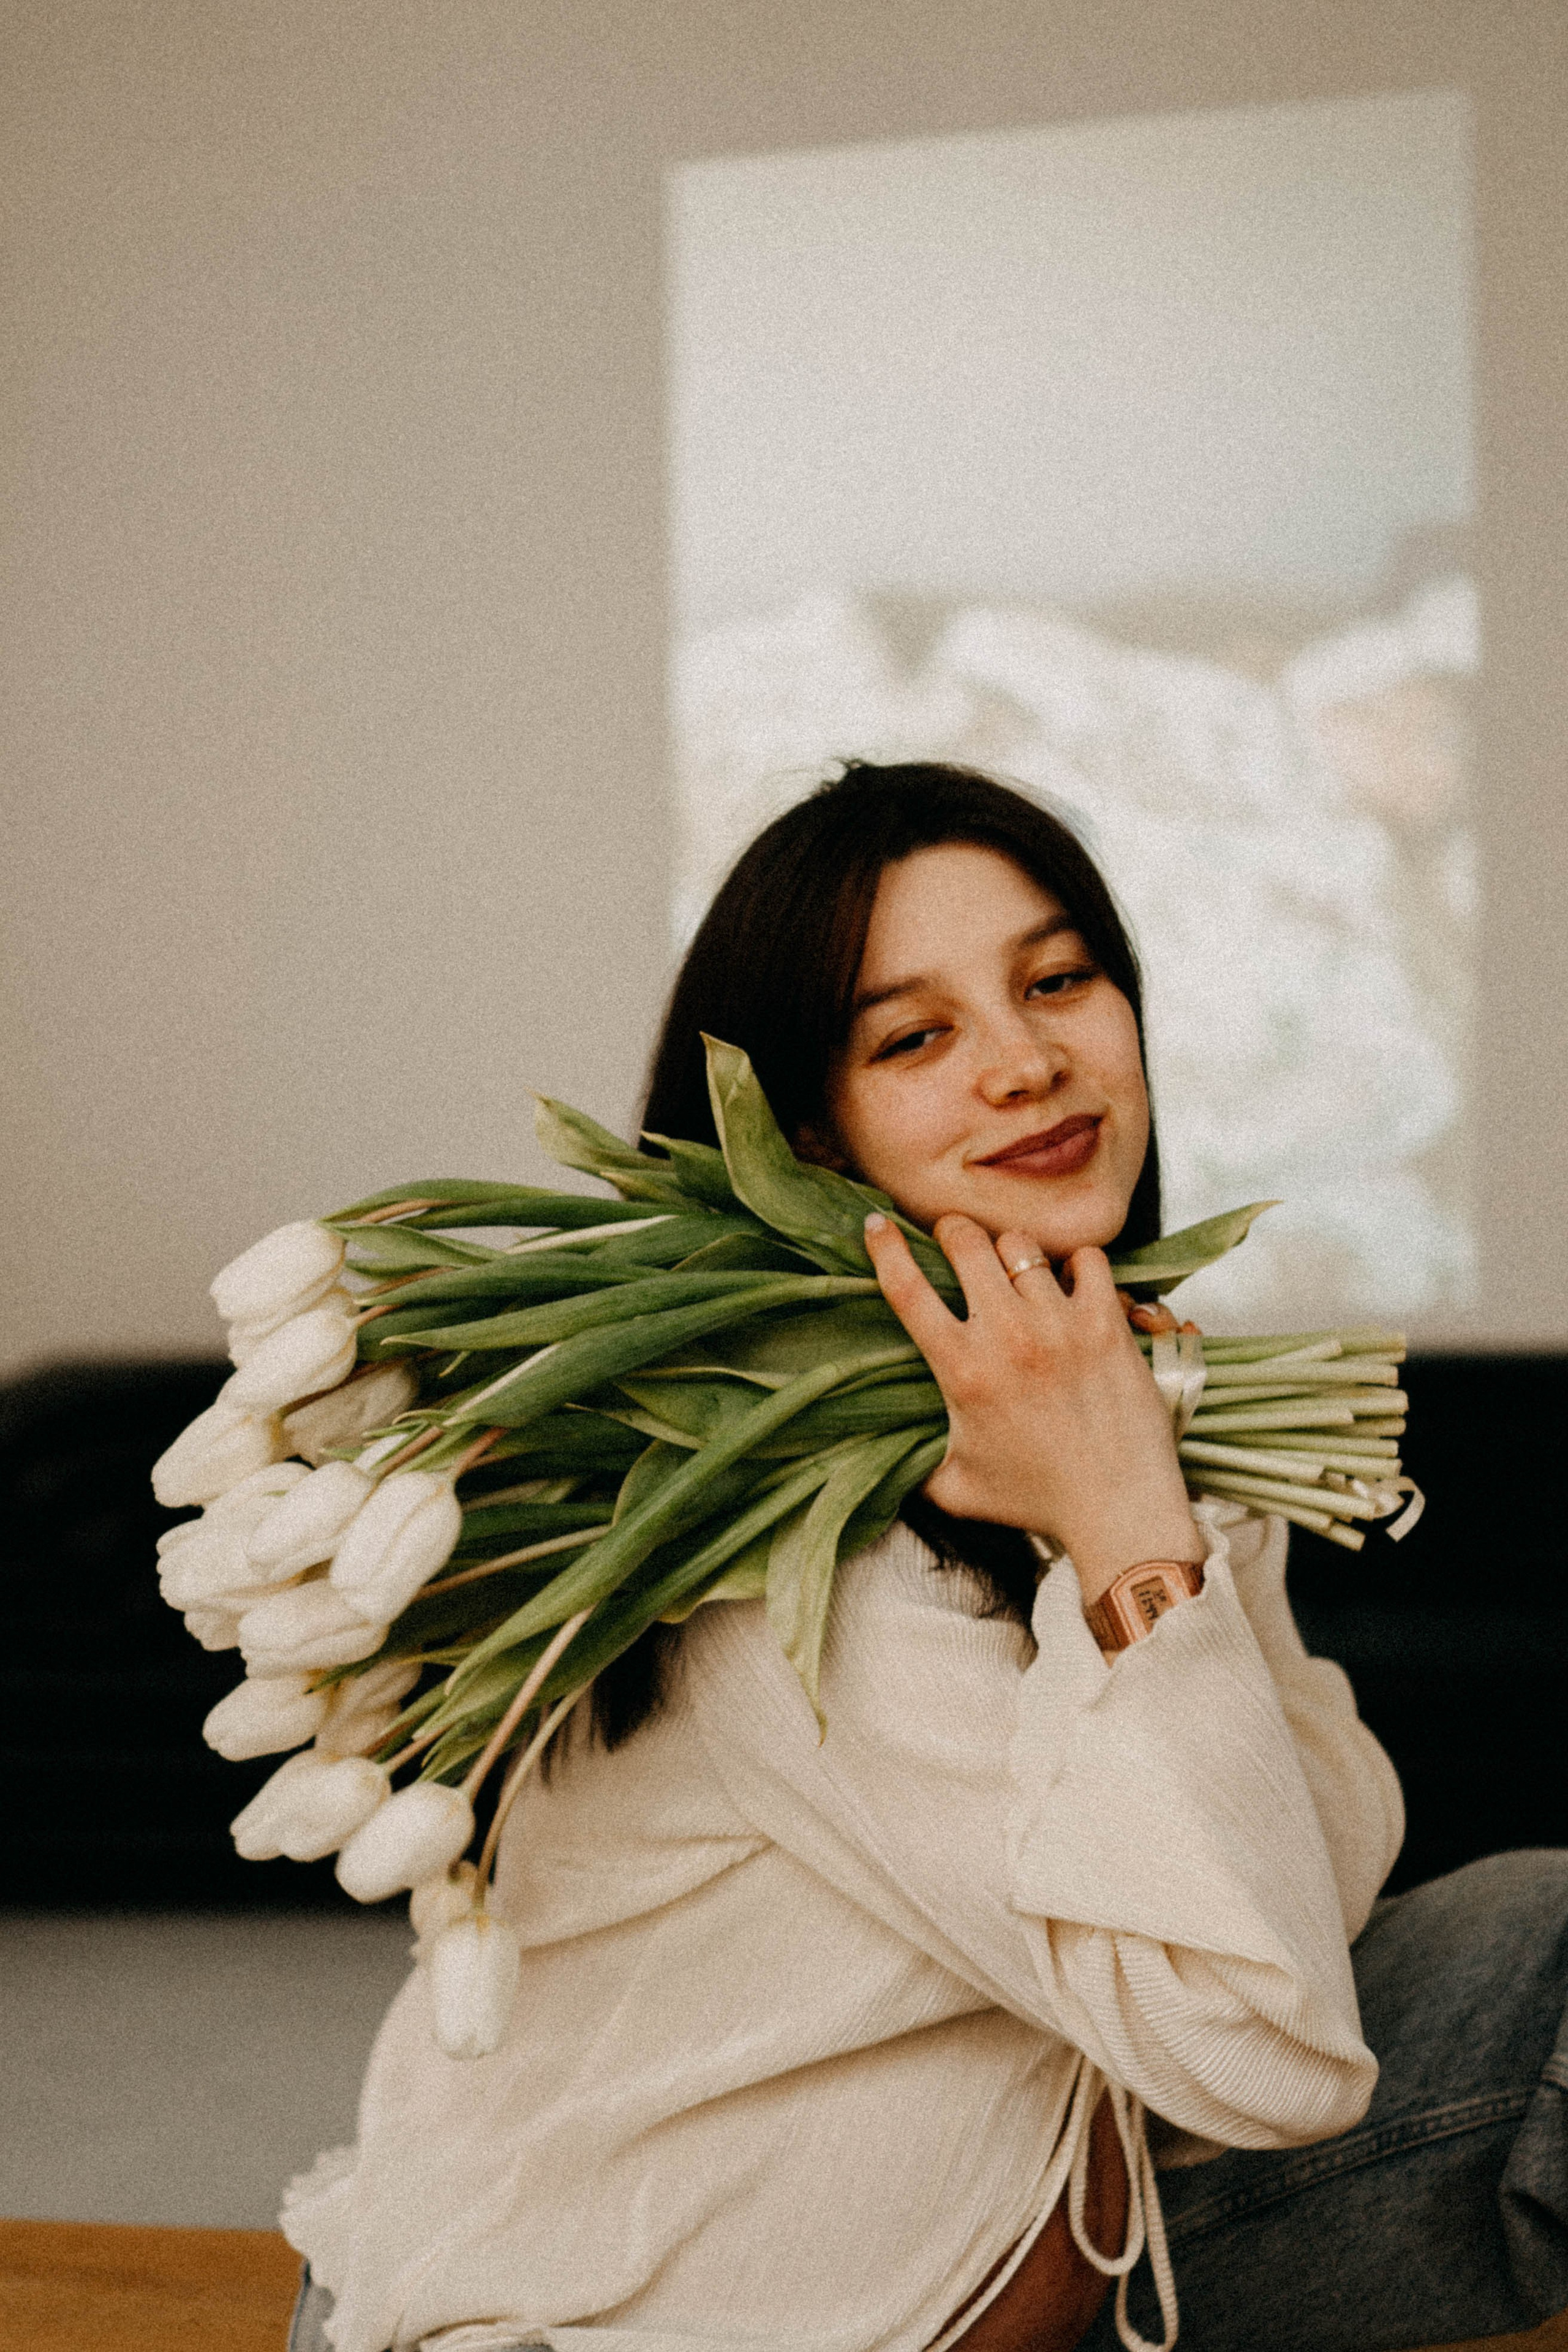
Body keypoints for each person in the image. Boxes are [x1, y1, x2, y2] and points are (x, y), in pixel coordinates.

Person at [285, 763, 1568, 2352]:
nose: (1029, 1063)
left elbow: (1310, 1893)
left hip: (1008, 2230)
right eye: (918, 1036)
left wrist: (1160, 1491)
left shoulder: (1087, 1413)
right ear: (807, 1130)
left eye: (1057, 982)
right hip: (602, 2326)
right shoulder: (784, 1556)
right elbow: (1272, 2053)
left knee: (1541, 1938)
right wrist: (1131, 1530)